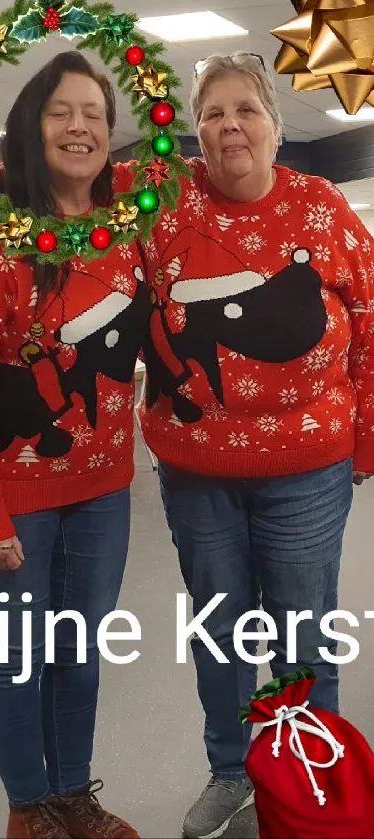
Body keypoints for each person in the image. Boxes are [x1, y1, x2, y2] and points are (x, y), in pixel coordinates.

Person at [136, 53, 374, 839]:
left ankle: (309, 777)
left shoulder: (318, 205)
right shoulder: (162, 207)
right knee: (220, 627)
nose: (228, 125)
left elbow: (368, 322)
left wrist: (366, 433)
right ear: (194, 130)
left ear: (274, 126)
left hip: (308, 468)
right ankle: (232, 768)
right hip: (195, 469)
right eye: (211, 113)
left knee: (303, 631)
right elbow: (61, 205)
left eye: (244, 109)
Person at [0, 50, 149, 839]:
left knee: (76, 649)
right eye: (60, 111)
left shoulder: (126, 219)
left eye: (95, 115)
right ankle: (28, 806)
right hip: (13, 492)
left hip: (103, 484)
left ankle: (72, 791)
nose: (79, 126)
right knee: (16, 656)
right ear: (30, 124)